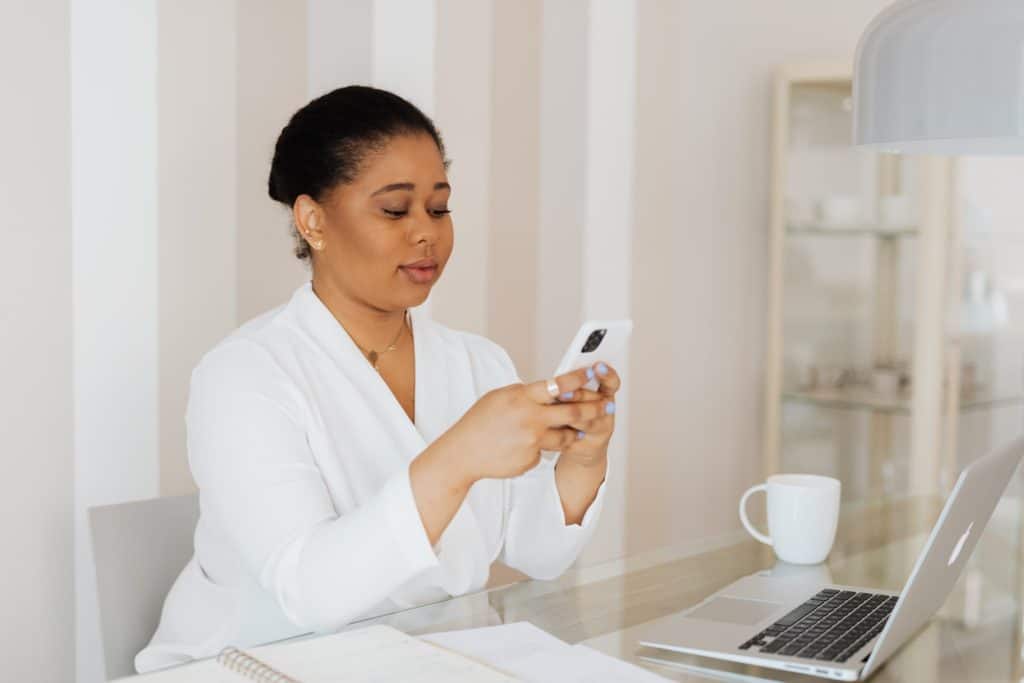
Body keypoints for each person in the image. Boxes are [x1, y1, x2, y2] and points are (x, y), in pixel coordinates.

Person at [136, 85, 619, 672]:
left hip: (424, 661)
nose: (427, 233)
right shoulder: (243, 375)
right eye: (396, 210)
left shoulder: (478, 363)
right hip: (262, 665)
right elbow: (310, 592)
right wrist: (459, 456)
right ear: (313, 220)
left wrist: (585, 456)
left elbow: (540, 555)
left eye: (439, 208)